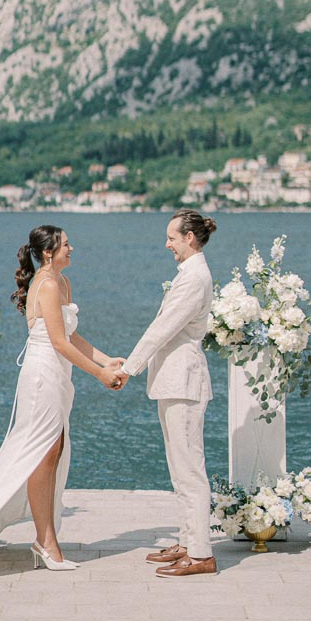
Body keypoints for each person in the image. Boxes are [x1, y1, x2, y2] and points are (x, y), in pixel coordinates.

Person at [0, 225, 125, 574]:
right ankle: (44, 542)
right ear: (48, 252)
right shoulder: (47, 284)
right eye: (67, 244)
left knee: (52, 454)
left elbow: (71, 335)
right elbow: (58, 343)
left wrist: (106, 360)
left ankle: (44, 539)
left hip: (60, 376)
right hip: (41, 376)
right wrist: (100, 375)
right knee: (36, 455)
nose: (72, 248)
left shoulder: (62, 283)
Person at [118, 211, 217, 578]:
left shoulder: (193, 278)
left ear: (190, 238)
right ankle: (188, 541)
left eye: (172, 238)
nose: (167, 244)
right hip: (175, 380)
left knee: (190, 469)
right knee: (181, 468)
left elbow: (163, 328)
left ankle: (202, 553)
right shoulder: (190, 274)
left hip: (184, 380)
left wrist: (129, 368)